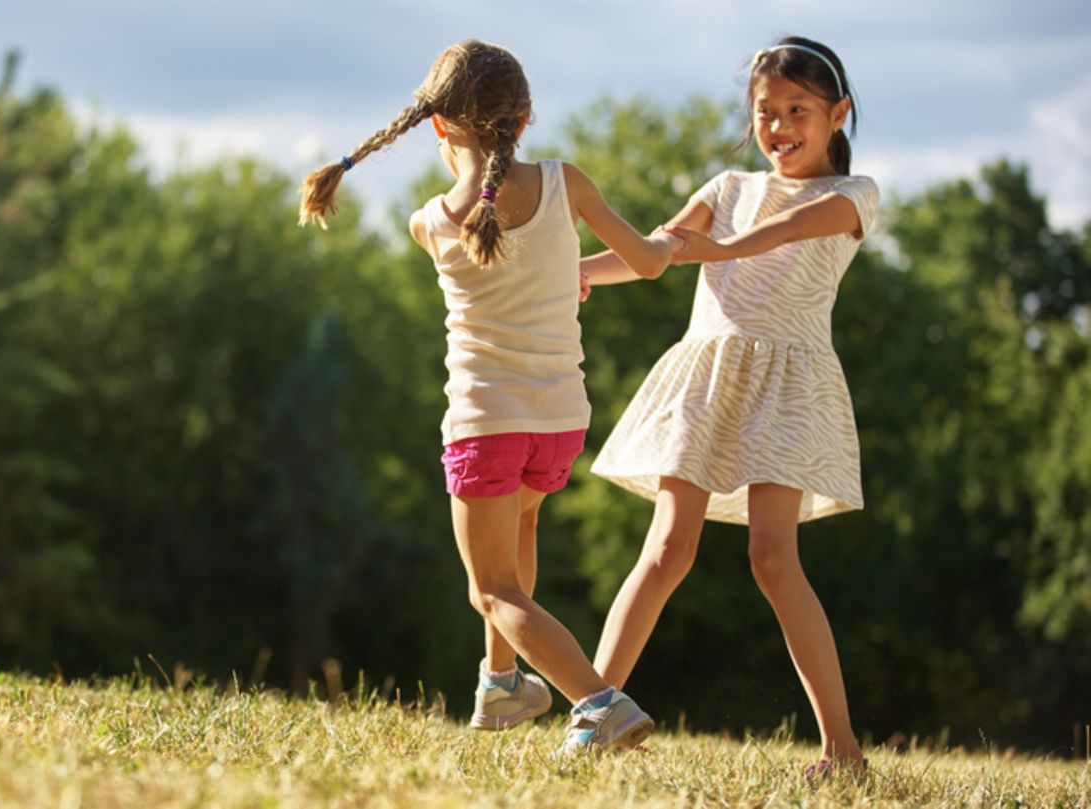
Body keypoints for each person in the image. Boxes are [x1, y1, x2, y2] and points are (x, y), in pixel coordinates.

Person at [300, 39, 680, 754]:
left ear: (436, 126)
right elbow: (652, 263)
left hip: (486, 427)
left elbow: (495, 254)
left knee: (492, 590)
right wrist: (665, 240)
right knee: (521, 535)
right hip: (561, 423)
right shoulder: (570, 185)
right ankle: (501, 686)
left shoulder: (429, 224)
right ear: (526, 117)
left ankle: (600, 702)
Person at [580, 36, 877, 777]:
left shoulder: (852, 196)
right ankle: (591, 716)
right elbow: (655, 252)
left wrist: (704, 250)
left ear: (838, 113)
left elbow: (772, 237)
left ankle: (842, 751)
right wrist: (574, 272)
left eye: (797, 110)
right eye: (766, 112)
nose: (778, 127)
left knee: (774, 558)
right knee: (667, 546)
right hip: (709, 374)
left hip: (787, 383)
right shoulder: (726, 186)